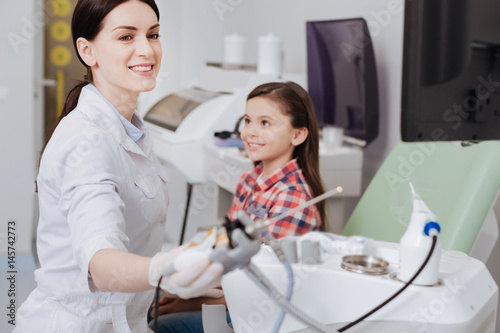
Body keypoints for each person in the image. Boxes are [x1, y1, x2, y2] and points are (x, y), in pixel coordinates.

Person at [14, 1, 223, 332]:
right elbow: (104, 266)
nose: (147, 50)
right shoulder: (87, 142)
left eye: (153, 35)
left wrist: (166, 285)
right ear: (88, 51)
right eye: (126, 37)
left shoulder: (131, 129)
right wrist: (171, 266)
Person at [149, 81, 326, 332]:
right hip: (235, 292)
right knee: (146, 307)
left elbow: (269, 290)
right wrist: (187, 294)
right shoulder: (249, 181)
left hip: (260, 314)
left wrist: (196, 303)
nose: (250, 132)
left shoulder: (293, 199)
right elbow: (229, 254)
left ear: (297, 135)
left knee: (161, 324)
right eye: (247, 120)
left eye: (265, 123)